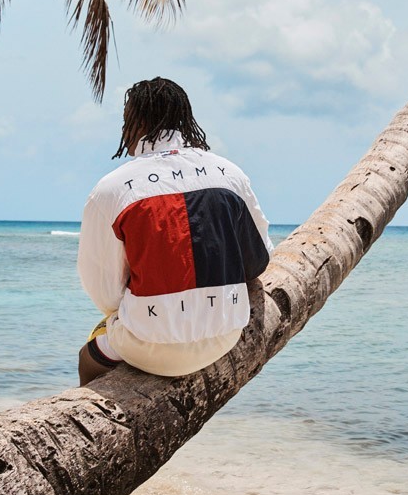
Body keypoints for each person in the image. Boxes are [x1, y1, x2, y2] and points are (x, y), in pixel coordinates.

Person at [76, 77, 273, 388]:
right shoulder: (230, 174)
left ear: (135, 124)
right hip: (225, 337)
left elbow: (104, 291)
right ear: (184, 121)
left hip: (148, 349)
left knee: (87, 358)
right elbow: (257, 260)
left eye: (125, 122)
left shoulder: (111, 190)